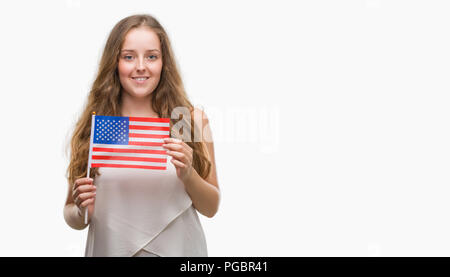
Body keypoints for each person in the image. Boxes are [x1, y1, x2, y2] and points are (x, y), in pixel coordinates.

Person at [63, 14, 220, 257]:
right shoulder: (100, 125)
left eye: (151, 56)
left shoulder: (185, 120)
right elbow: (73, 215)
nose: (140, 66)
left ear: (163, 62)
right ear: (114, 62)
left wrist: (189, 174)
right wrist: (83, 210)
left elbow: (211, 207)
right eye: (128, 56)